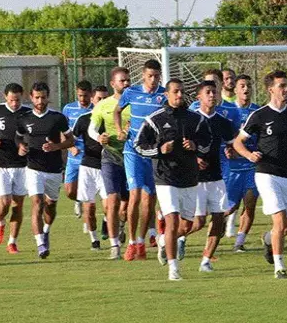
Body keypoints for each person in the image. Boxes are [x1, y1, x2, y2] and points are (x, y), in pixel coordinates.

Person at [134, 78, 211, 281]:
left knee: (186, 226)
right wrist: (159, 150)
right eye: (175, 92)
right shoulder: (155, 119)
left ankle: (162, 241)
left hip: (189, 177)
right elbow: (138, 145)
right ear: (166, 94)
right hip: (165, 177)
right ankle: (173, 269)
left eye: (181, 92)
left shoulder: (195, 119)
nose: (179, 95)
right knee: (172, 221)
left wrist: (195, 146)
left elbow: (207, 143)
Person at [233, 70, 287, 279]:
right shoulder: (260, 115)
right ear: (270, 89)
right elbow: (238, 142)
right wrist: (248, 155)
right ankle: (279, 267)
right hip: (266, 173)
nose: (286, 89)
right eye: (282, 86)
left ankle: (267, 239)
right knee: (280, 220)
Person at [113, 59, 165, 261]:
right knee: (134, 196)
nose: (153, 80)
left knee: (149, 200)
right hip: (133, 151)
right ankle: (131, 243)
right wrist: (119, 130)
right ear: (143, 75)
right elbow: (117, 111)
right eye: (150, 76)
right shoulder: (131, 92)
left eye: (156, 76)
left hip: (153, 154)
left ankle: (142, 241)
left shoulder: (163, 95)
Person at [16, 82, 74, 259]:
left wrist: (56, 146)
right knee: (37, 203)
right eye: (37, 97)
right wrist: (20, 148)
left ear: (48, 97)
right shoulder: (24, 119)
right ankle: (40, 244)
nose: (40, 101)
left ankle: (46, 231)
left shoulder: (58, 118)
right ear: (31, 98)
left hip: (54, 169)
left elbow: (70, 141)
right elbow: (18, 138)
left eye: (43, 97)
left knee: (50, 205)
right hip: (33, 168)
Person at [183, 80, 236, 272]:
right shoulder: (189, 119)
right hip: (195, 179)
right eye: (208, 92)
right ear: (199, 97)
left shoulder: (223, 122)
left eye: (215, 92)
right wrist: (194, 159)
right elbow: (182, 147)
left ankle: (205, 261)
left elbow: (233, 144)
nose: (212, 95)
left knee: (219, 218)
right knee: (197, 222)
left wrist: (232, 151)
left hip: (216, 176)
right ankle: (175, 238)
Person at [89, 67, 132, 259]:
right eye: (122, 81)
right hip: (111, 156)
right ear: (113, 83)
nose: (126, 83)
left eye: (128, 80)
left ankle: (123, 227)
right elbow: (92, 129)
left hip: (132, 156)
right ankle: (115, 246)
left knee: (128, 205)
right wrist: (99, 137)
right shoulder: (103, 105)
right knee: (112, 201)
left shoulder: (135, 102)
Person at [0, 83, 31, 254]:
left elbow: (32, 135)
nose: (15, 103)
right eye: (12, 100)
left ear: (22, 97)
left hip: (22, 166)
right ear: (5, 96)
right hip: (1, 164)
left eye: (18, 100)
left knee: (18, 205)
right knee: (5, 203)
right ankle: (0, 222)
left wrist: (24, 146)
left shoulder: (28, 113)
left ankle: (12, 242)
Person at [225, 75, 260, 252]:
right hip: (231, 167)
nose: (246, 89)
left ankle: (239, 241)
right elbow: (222, 133)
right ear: (236, 90)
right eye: (242, 86)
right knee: (230, 206)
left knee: (250, 203)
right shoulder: (228, 110)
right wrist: (227, 147)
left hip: (252, 165)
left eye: (248, 85)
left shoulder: (257, 111)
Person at [73, 86, 109, 250]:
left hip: (108, 166)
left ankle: (107, 224)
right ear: (93, 100)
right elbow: (69, 138)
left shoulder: (113, 119)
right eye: (99, 99)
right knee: (90, 208)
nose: (102, 102)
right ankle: (94, 240)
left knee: (110, 206)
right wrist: (71, 147)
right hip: (88, 166)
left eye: (105, 99)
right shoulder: (83, 119)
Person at [62, 80, 93, 220]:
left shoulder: (96, 109)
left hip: (91, 157)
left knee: (92, 193)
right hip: (74, 156)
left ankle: (91, 224)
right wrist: (70, 147)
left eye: (85, 96)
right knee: (69, 191)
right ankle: (78, 200)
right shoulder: (68, 109)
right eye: (80, 95)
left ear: (91, 94)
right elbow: (61, 132)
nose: (83, 99)